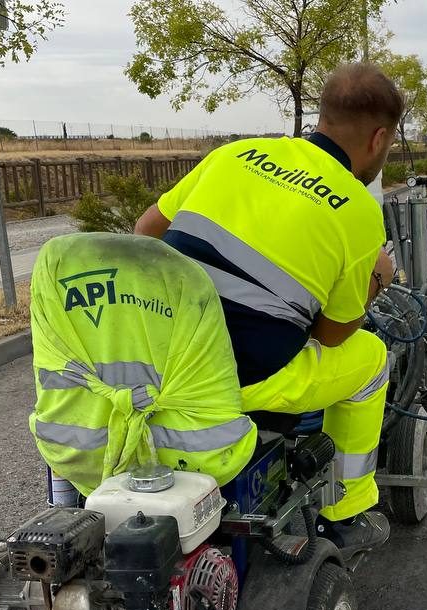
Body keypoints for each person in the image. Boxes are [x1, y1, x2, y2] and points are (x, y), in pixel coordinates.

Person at [135, 63, 402, 555]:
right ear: (379, 138)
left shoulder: (234, 154)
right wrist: (377, 276)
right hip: (244, 376)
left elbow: (145, 231)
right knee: (371, 361)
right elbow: (332, 335)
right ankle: (347, 509)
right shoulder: (359, 211)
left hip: (158, 357)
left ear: (323, 116)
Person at [28, 232, 255, 502]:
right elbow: (216, 380)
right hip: (196, 453)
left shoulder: (54, 262)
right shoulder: (190, 278)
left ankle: (66, 511)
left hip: (78, 451)